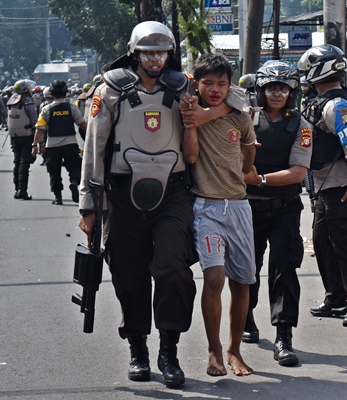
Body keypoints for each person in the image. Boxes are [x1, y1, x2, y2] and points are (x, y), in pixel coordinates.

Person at [77, 21, 209, 388]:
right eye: (148, 52)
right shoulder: (110, 89)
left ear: (169, 54)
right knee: (129, 274)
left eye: (161, 52)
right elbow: (94, 148)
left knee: (173, 268)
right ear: (136, 54)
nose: (155, 59)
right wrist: (89, 205)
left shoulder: (184, 88)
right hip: (121, 195)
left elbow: (206, 126)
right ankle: (138, 348)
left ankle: (169, 349)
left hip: (173, 192)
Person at [181, 53, 257, 377]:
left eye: (221, 83)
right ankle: (213, 350)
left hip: (239, 206)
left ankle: (234, 350)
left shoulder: (238, 114)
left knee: (242, 283)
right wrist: (192, 121)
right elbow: (191, 155)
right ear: (197, 83)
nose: (215, 89)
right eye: (208, 83)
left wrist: (244, 167)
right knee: (214, 279)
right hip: (206, 208)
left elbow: (249, 153)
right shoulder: (189, 107)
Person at [241, 60, 312, 367]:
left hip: (284, 206)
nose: (276, 94)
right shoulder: (245, 118)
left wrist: (262, 179)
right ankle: (245, 320)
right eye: (271, 88)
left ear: (291, 92)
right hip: (247, 206)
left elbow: (298, 173)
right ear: (260, 90)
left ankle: (284, 337)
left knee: (284, 269)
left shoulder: (302, 125)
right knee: (247, 268)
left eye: (283, 88)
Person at [298, 44, 347, 327]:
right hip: (323, 188)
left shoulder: (336, 105)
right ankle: (336, 299)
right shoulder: (320, 101)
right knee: (322, 242)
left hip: (341, 187)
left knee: (345, 245)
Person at [32, 80, 86, 205]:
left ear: (51, 93)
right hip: (71, 144)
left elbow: (39, 129)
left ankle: (58, 197)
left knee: (54, 172)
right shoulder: (71, 107)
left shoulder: (46, 109)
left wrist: (34, 145)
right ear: (65, 93)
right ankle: (74, 182)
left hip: (52, 146)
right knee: (74, 167)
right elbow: (82, 124)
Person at [7, 79, 37, 200]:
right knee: (24, 163)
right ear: (25, 91)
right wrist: (38, 142)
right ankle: (22, 190)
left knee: (17, 162)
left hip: (14, 137)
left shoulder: (11, 103)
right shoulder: (28, 104)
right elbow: (35, 122)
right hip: (26, 136)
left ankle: (17, 189)